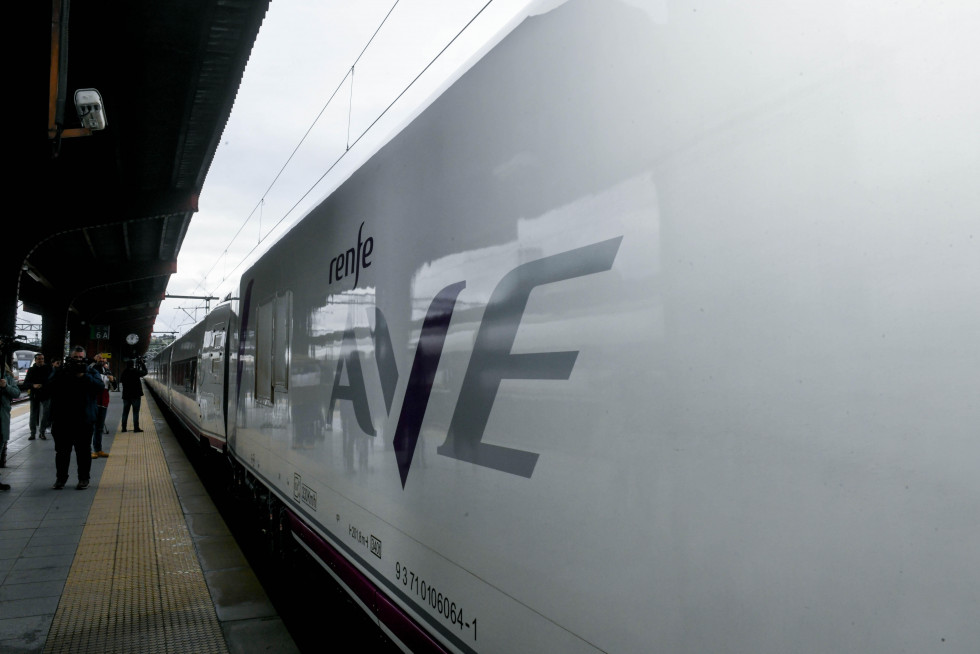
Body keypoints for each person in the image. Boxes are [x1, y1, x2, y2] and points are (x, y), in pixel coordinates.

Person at [47, 346, 103, 490]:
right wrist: (67, 375)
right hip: (62, 419)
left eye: (80, 357)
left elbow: (100, 387)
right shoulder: (60, 372)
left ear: (84, 358)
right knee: (62, 452)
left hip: (84, 420)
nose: (78, 360)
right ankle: (61, 479)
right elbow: (49, 388)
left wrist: (84, 376)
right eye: (75, 357)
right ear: (70, 358)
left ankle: (84, 479)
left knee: (83, 451)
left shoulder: (91, 372)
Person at [1, 358, 20, 488]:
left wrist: (5, 386)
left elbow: (16, 393)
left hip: (2, 415)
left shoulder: (7, 377)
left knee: (1, 441)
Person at [89, 354, 113, 458]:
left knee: (99, 427)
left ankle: (98, 449)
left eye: (104, 358)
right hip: (93, 401)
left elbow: (114, 386)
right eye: (100, 358)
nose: (102, 360)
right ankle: (88, 450)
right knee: (90, 427)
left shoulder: (107, 371)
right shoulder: (92, 369)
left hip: (104, 402)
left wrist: (112, 380)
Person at [24, 352, 52, 440]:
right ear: (35, 360)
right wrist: (33, 385)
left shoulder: (48, 369)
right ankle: (32, 433)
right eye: (39, 359)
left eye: (42, 359)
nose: (41, 361)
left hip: (46, 394)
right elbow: (26, 383)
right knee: (33, 414)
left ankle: (42, 432)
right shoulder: (31, 370)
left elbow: (52, 381)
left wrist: (43, 385)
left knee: (45, 414)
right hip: (35, 395)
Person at [120, 357, 148, 432]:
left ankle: (123, 428)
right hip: (135, 396)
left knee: (125, 412)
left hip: (126, 396)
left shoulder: (124, 372)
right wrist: (142, 364)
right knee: (135, 412)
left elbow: (121, 380)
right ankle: (136, 428)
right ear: (133, 365)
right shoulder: (136, 371)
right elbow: (145, 372)